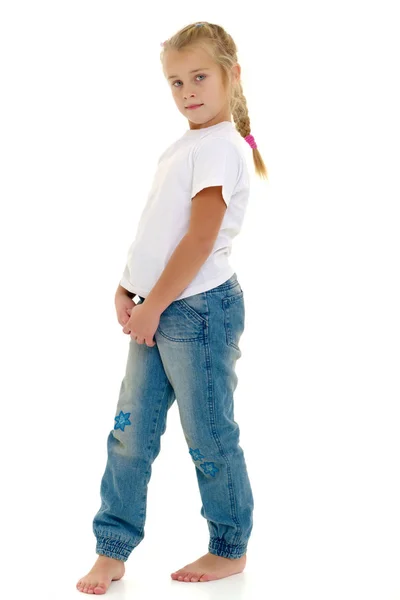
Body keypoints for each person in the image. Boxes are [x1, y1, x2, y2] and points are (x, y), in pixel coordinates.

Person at [76, 20, 268, 595]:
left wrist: (154, 305)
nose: (187, 90)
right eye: (176, 81)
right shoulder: (188, 144)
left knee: (208, 434)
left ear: (232, 76)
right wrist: (128, 286)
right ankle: (112, 548)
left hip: (197, 313)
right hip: (156, 309)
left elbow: (199, 241)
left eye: (200, 77)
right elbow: (161, 230)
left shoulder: (221, 148)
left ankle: (229, 547)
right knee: (130, 431)